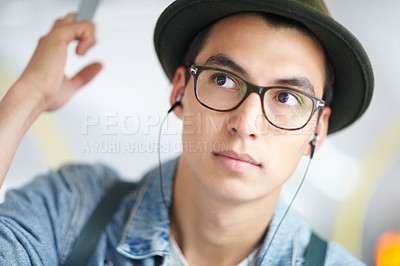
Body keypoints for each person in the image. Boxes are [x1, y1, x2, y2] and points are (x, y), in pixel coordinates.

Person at [0, 0, 374, 265]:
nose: (245, 124)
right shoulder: (70, 212)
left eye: (287, 97)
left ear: (317, 130)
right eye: (224, 79)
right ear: (180, 92)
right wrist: (27, 96)